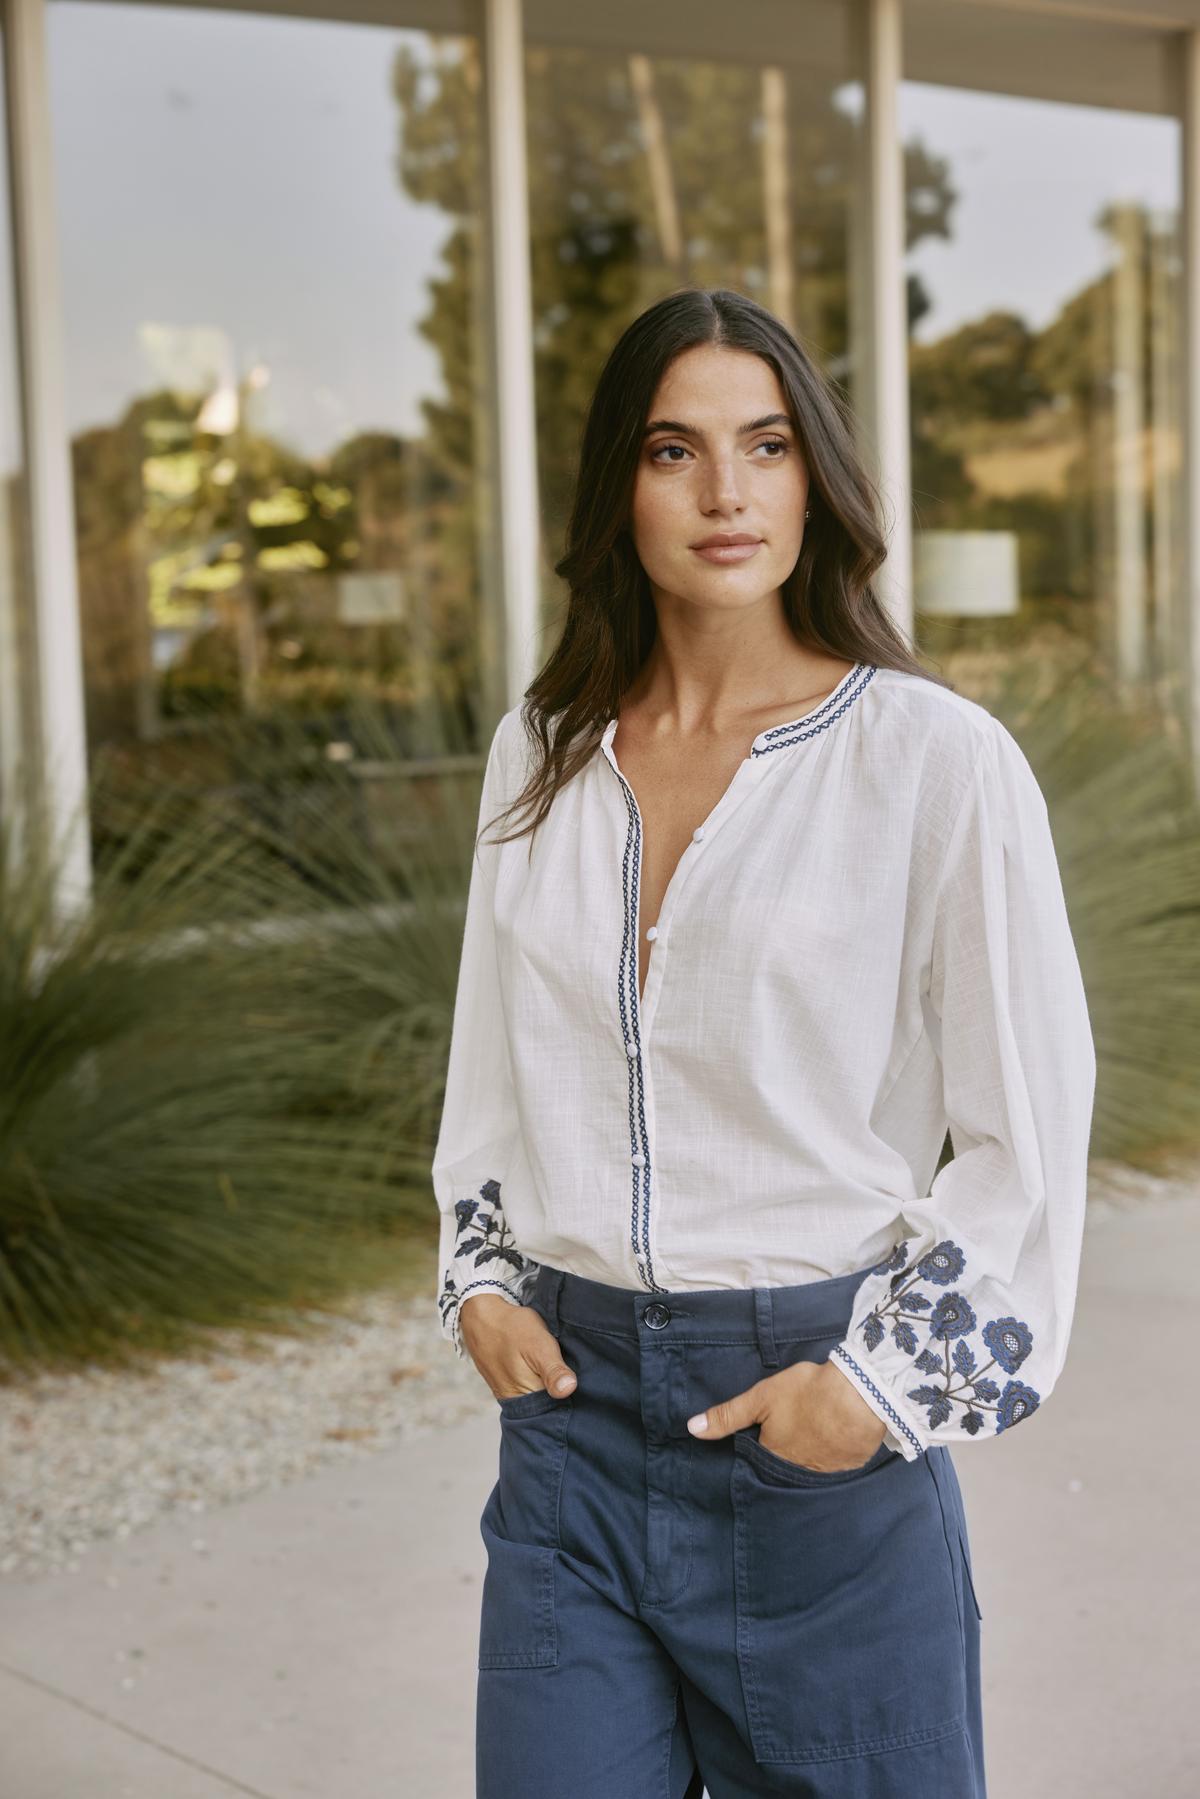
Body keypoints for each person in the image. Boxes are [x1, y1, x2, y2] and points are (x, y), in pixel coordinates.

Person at [431, 286, 1096, 1799]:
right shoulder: (541, 755)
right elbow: (491, 1072)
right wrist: (477, 1281)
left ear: (818, 478)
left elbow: (1030, 1137)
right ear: (621, 487)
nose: (726, 492)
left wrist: (872, 1394)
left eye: (767, 444)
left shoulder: (934, 762)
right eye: (675, 450)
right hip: (571, 1441)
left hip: (817, 1429)